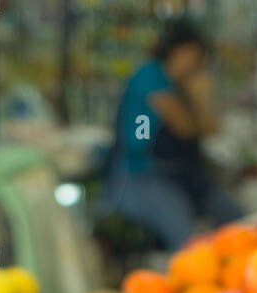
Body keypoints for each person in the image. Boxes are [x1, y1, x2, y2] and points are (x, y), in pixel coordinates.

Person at [103, 18, 242, 251]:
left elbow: (211, 129)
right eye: (196, 57)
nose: (198, 66)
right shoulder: (151, 77)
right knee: (187, 239)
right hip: (140, 179)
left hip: (179, 177)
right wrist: (199, 97)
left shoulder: (176, 83)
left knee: (234, 219)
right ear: (181, 51)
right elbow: (185, 127)